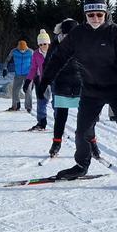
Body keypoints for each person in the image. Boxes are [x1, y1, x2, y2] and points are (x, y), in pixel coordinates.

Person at [40, 0, 117, 191]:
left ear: (105, 14)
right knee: (82, 131)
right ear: (85, 16)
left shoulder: (115, 32)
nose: (96, 18)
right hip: (91, 90)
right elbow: (58, 57)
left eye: (100, 14)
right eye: (91, 15)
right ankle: (81, 165)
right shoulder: (78, 34)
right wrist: (45, 80)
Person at [43, 18, 100, 160]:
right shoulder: (56, 45)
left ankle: (92, 143)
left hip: (81, 85)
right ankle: (56, 144)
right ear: (62, 33)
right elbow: (47, 64)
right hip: (62, 84)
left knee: (87, 117)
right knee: (61, 116)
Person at [27, 29, 51, 130]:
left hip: (56, 80)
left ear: (48, 43)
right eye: (40, 44)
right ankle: (41, 122)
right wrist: (28, 80)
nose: (43, 46)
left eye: (45, 44)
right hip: (42, 80)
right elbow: (33, 68)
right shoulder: (36, 54)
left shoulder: (55, 51)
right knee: (41, 100)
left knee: (57, 103)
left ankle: (59, 124)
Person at [2, 40, 33, 111]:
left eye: (23, 49)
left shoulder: (30, 52)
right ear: (18, 47)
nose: (22, 51)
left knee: (28, 90)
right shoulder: (14, 51)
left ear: (26, 47)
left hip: (28, 74)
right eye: (20, 49)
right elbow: (7, 60)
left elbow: (34, 63)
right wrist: (5, 68)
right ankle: (16, 105)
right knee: (15, 90)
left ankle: (28, 107)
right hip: (18, 74)